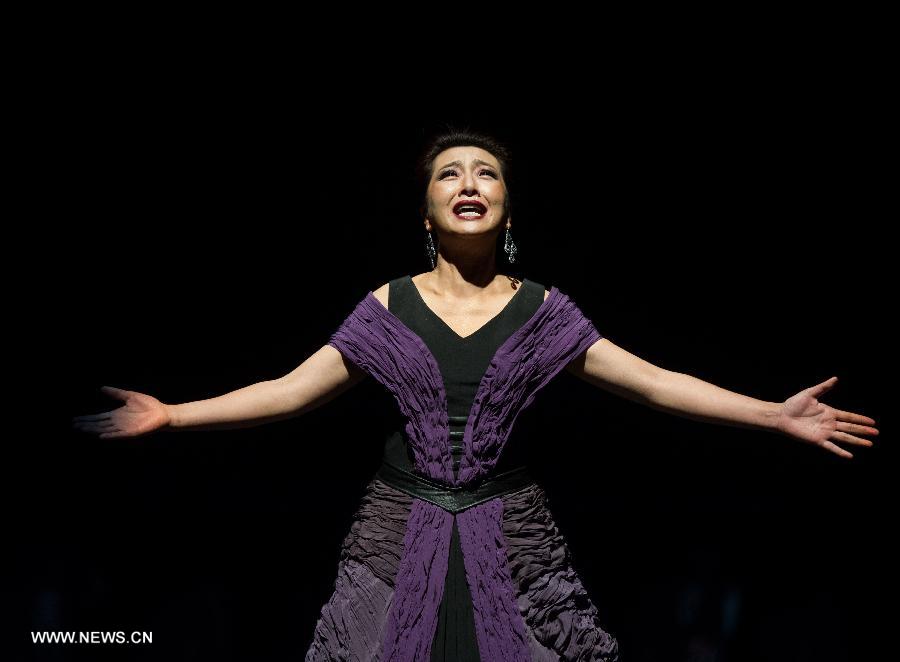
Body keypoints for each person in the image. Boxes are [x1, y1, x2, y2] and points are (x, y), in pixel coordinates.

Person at [72, 128, 880, 661]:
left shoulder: (544, 311)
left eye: (486, 173)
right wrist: (175, 413)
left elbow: (655, 383)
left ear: (505, 205)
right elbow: (290, 391)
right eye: (449, 174)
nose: (469, 183)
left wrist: (773, 413)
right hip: (399, 532)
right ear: (426, 209)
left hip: (510, 536)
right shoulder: (388, 305)